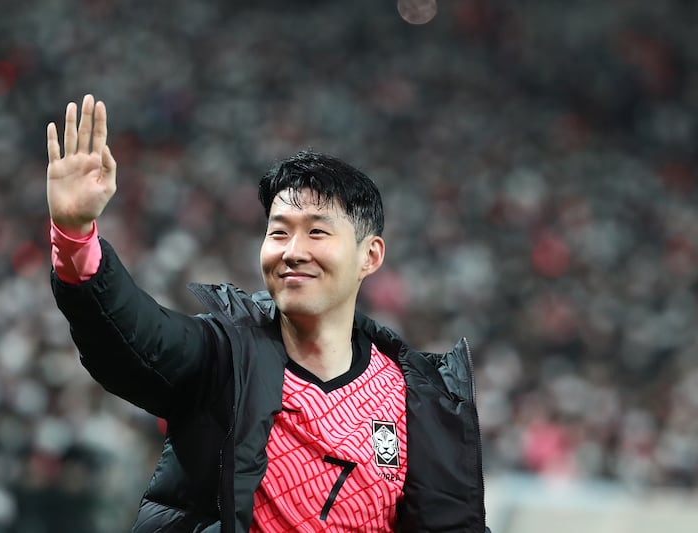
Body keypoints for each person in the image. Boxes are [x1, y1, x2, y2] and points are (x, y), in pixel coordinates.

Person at [47, 94, 490, 532]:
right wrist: (75, 236)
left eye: (317, 231)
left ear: (369, 256)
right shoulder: (225, 356)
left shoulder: (417, 398)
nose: (293, 251)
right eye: (278, 233)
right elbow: (135, 336)